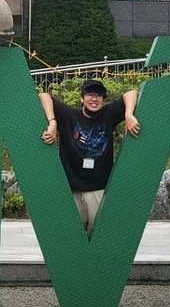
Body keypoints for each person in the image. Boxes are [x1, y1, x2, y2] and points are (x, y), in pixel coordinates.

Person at [39, 79, 140, 236]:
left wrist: (128, 114)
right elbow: (44, 96)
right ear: (81, 98)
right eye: (90, 94)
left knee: (100, 237)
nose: (94, 98)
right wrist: (53, 123)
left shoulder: (108, 115)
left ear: (103, 100)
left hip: (98, 190)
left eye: (99, 95)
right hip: (71, 190)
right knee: (70, 237)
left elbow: (132, 93)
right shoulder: (69, 116)